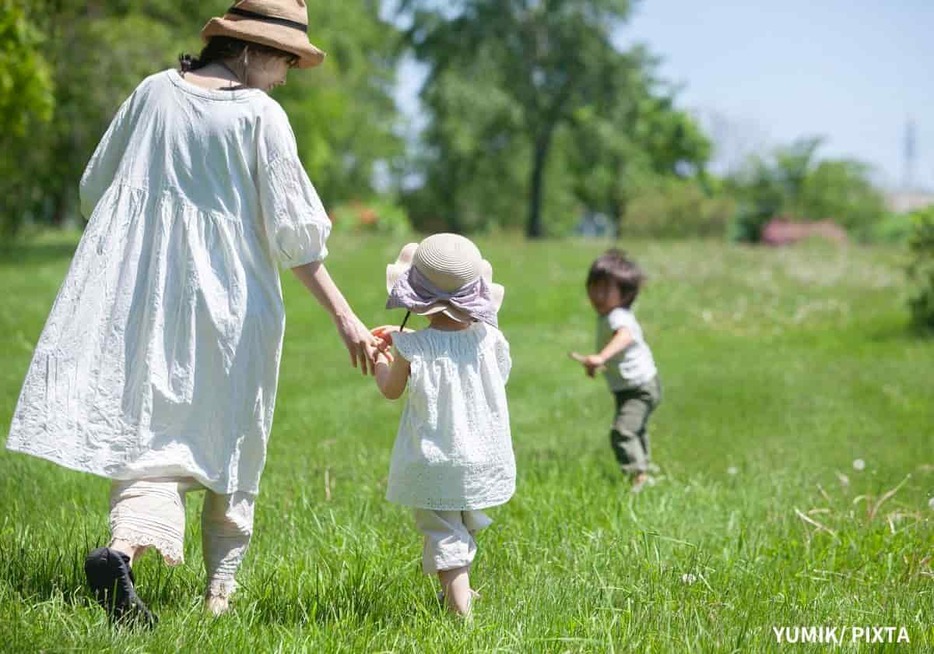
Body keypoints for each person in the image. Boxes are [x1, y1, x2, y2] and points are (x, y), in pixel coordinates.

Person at [4, 0, 384, 626]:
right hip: (233, 306)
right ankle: (218, 597)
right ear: (251, 50)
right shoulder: (262, 116)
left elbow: (96, 187)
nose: (288, 74)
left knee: (151, 439)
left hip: (146, 299)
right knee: (231, 439)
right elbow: (296, 238)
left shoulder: (154, 92)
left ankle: (122, 550)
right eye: (287, 59)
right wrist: (346, 319)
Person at [371, 234, 515, 617]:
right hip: (479, 452)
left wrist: (383, 356)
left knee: (442, 529)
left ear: (415, 295)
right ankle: (459, 590)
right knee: (461, 522)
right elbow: (497, 378)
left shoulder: (413, 348)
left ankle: (459, 612)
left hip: (436, 456)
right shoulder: (490, 340)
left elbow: (390, 389)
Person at [570, 249, 661, 492]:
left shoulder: (617, 316)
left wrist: (600, 356)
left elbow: (625, 337)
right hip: (631, 385)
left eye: (605, 290)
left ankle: (636, 477)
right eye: (593, 287)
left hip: (639, 387)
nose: (597, 295)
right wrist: (597, 364)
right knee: (635, 428)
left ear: (624, 294)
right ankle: (645, 471)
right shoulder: (608, 316)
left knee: (623, 431)